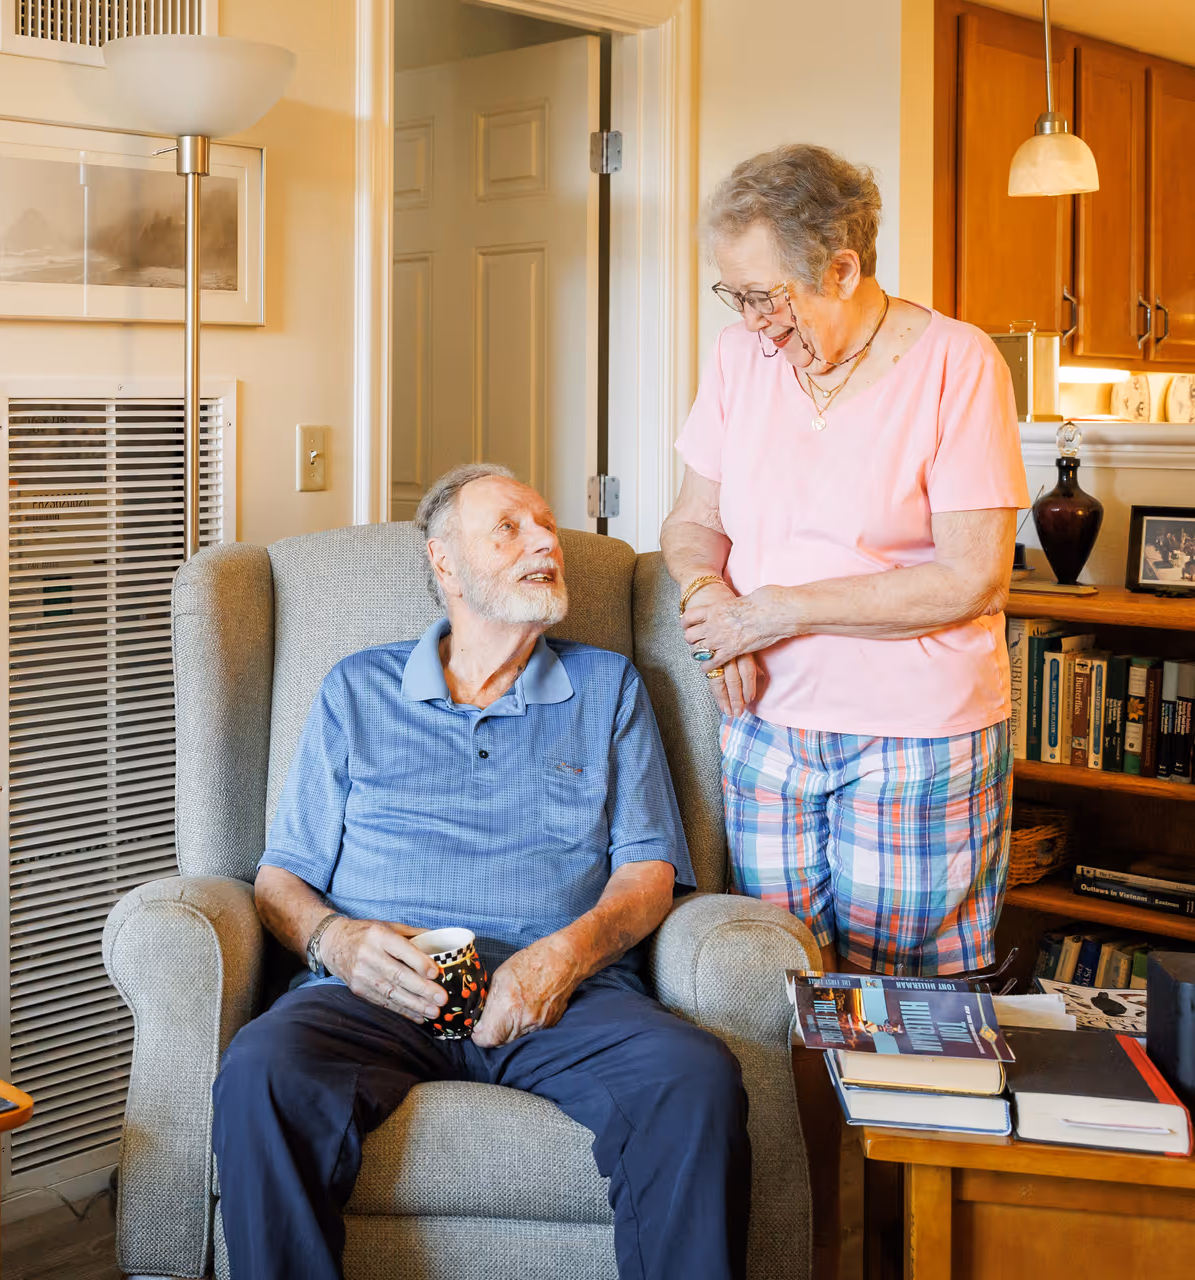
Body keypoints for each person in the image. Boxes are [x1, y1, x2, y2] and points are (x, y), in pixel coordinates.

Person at [211, 463, 750, 1280]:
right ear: (444, 563)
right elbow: (280, 876)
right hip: (377, 990)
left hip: (562, 990)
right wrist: (337, 941)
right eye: (509, 528)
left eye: (547, 526)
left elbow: (647, 871)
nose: (546, 542)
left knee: (694, 1078)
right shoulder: (357, 689)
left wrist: (561, 959)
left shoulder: (607, 688)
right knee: (261, 1071)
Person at [661, 143, 1027, 977]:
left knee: (904, 1009)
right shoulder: (736, 361)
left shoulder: (956, 364)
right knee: (780, 992)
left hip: (914, 738)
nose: (751, 321)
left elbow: (973, 577)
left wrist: (776, 610)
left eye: (764, 297)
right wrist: (710, 594)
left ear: (841, 267)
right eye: (737, 296)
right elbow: (693, 520)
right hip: (768, 733)